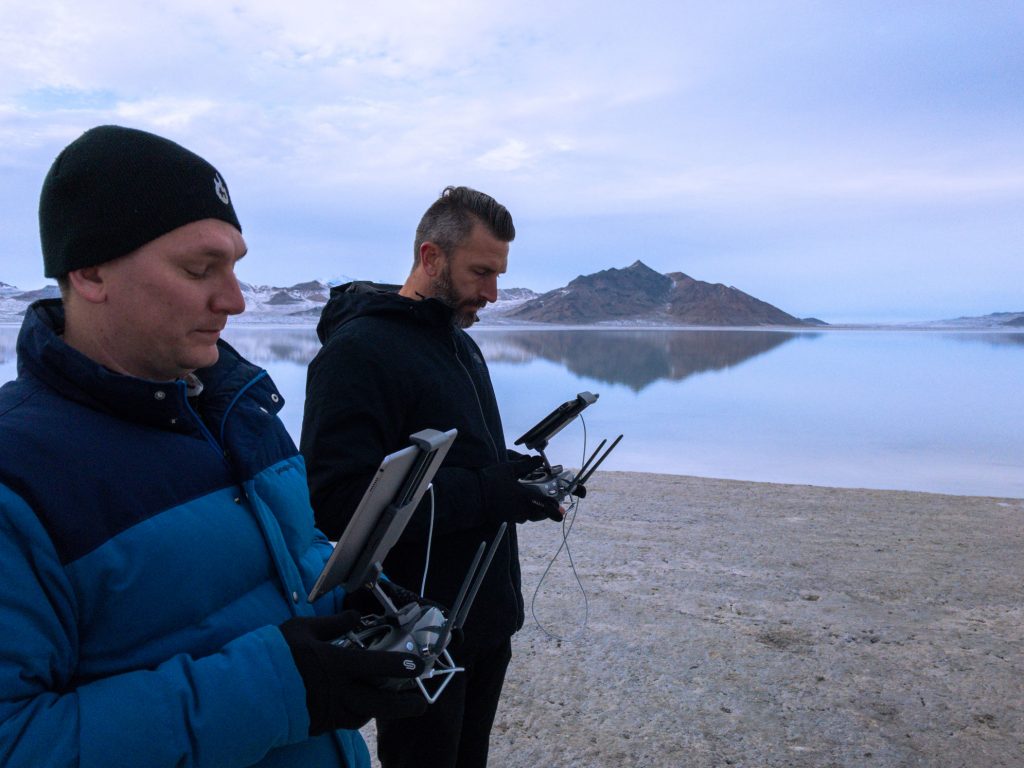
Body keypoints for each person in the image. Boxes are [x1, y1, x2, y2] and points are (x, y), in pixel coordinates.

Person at [0, 125, 430, 768]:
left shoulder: (237, 407)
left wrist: (360, 594)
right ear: (89, 271)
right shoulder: (19, 477)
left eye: (235, 268)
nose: (233, 301)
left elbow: (290, 552)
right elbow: (18, 741)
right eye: (201, 269)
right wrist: (286, 686)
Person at [300, 186, 564, 768]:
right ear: (430, 257)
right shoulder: (357, 352)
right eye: (481, 272)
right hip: (418, 626)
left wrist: (517, 480)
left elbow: (464, 464)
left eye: (499, 275)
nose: (492, 293)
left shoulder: (458, 344)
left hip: (487, 616)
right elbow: (336, 506)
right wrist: (489, 492)